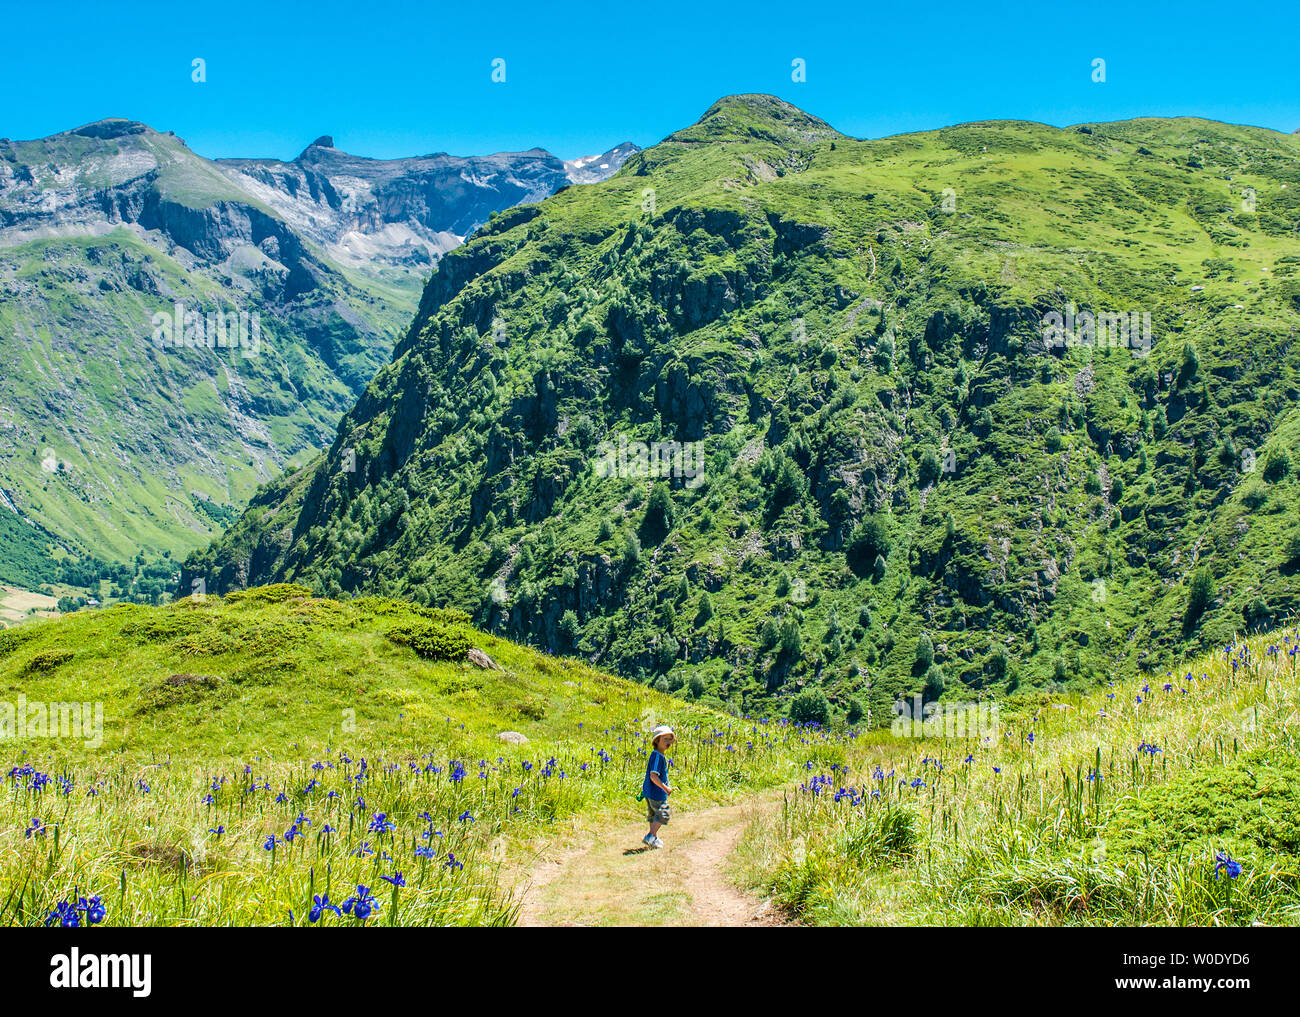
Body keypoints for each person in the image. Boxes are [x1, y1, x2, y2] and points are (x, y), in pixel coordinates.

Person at [641, 724, 674, 848]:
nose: (668, 742)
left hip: (649, 791)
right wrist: (665, 788)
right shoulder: (657, 757)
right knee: (663, 813)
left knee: (653, 815)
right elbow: (653, 776)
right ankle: (650, 835)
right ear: (657, 741)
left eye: (669, 739)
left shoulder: (657, 755)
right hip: (656, 792)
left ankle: (653, 839)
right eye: (665, 739)